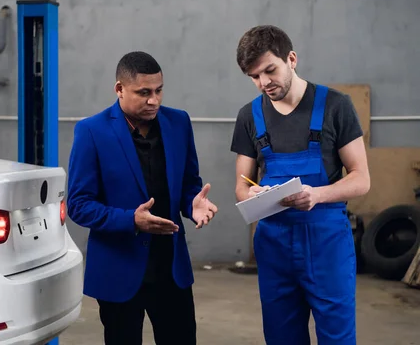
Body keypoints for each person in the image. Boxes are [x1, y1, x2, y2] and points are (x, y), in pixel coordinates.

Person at [230, 25, 370, 345]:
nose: (264, 83)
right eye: (254, 76)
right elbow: (240, 186)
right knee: (281, 337)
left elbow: (361, 179)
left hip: (326, 243)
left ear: (291, 59)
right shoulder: (249, 116)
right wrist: (250, 193)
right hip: (273, 245)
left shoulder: (336, 106)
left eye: (270, 70)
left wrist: (317, 195)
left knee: (337, 336)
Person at [67, 51, 218, 345]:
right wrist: (131, 220)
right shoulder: (91, 131)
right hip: (118, 270)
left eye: (159, 90)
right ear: (119, 89)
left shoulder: (179, 123)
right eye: (144, 93)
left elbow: (189, 183)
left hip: (170, 269)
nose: (154, 100)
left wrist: (192, 204)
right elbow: (79, 205)